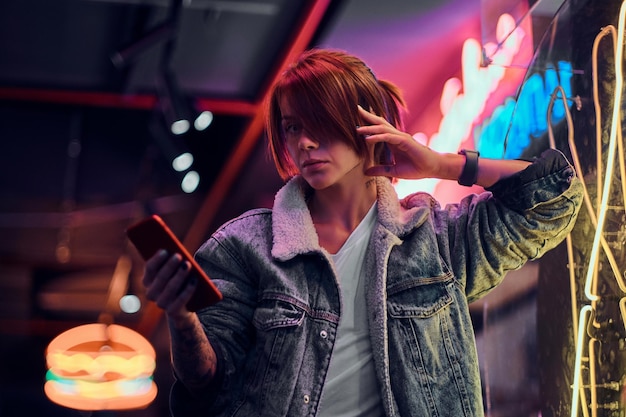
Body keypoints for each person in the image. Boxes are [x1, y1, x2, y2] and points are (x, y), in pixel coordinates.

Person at [141, 48, 583, 416]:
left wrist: (441, 164)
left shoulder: (435, 241)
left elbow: (554, 197)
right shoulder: (247, 246)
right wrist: (180, 316)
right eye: (292, 127)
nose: (303, 143)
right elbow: (207, 383)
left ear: (367, 120)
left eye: (318, 122)